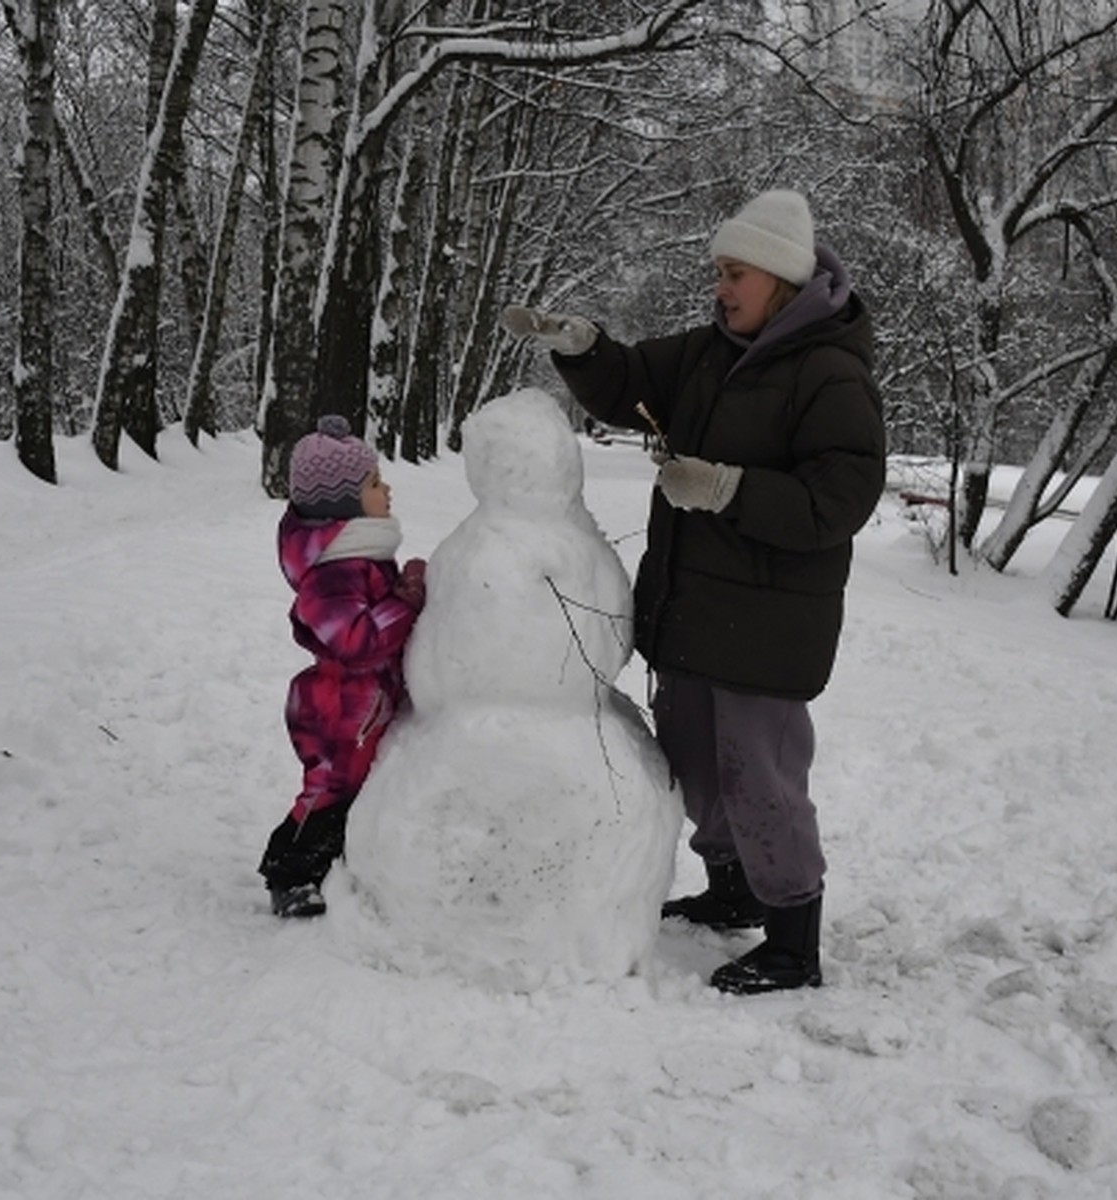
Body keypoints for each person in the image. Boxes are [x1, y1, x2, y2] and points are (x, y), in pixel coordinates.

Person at [500, 188, 885, 994]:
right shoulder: (711, 353)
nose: (720, 287)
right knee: (697, 768)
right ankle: (733, 887)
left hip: (768, 625)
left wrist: (726, 488)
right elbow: (632, 382)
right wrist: (584, 347)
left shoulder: (829, 372)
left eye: (734, 272)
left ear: (778, 278)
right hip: (696, 614)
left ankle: (792, 937)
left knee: (762, 781)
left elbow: (839, 501)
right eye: (718, 271)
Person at [258, 415, 426, 918]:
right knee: (331, 792)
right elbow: (353, 641)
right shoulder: (333, 570)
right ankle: (289, 873)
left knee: (356, 789)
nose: (387, 488)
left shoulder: (358, 554)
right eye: (374, 483)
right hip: (336, 708)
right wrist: (406, 600)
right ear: (343, 502)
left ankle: (335, 861)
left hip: (364, 701)